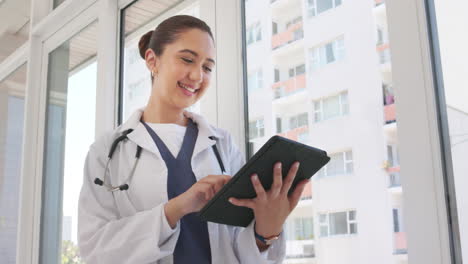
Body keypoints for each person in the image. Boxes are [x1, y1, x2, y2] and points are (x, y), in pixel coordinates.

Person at [78, 15, 310, 264]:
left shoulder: (222, 145)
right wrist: (176, 209)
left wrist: (266, 231)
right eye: (187, 59)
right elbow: (94, 251)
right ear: (152, 60)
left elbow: (238, 246)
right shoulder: (107, 152)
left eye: (207, 67)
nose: (198, 76)